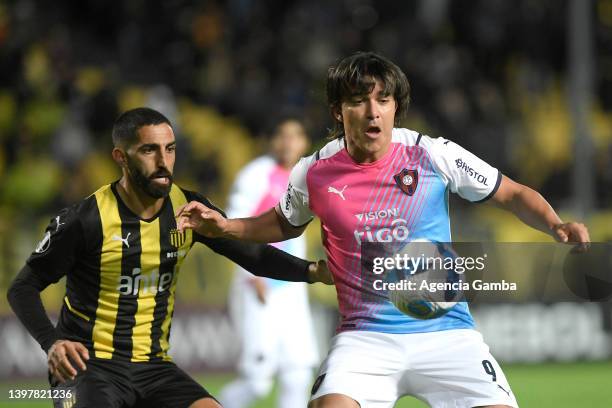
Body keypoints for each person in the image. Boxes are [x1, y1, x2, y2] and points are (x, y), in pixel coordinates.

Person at [175, 52, 590, 408]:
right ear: (339, 111)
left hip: (447, 333)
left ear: (395, 107)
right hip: (365, 339)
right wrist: (227, 225)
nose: (373, 111)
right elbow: (281, 223)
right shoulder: (314, 172)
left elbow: (511, 193)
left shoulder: (433, 154)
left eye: (383, 100)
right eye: (359, 101)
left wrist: (555, 223)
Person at [6, 107, 331, 408]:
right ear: (121, 157)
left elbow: (253, 255)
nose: (163, 161)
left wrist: (313, 271)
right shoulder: (86, 220)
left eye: (170, 149)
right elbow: (22, 287)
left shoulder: (188, 209)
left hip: (154, 367)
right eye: (149, 150)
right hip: (89, 368)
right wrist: (52, 343)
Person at [218, 118, 318, 408]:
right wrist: (251, 275)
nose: (288, 142)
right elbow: (232, 226)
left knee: (298, 374)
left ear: (304, 142)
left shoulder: (308, 177)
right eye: (282, 136)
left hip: (291, 288)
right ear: (272, 141)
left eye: (295, 136)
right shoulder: (256, 175)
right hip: (258, 286)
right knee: (257, 382)